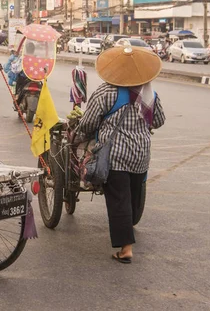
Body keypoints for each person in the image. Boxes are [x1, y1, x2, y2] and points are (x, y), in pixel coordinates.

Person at [75, 45, 166, 264]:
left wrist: (81, 134)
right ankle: (130, 224)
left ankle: (125, 248)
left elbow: (87, 123)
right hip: (140, 155)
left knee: (118, 200)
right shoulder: (148, 94)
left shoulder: (106, 92)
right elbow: (159, 121)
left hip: (114, 155)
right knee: (133, 193)